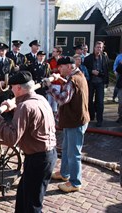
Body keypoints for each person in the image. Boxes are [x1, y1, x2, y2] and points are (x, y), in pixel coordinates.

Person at [0, 71, 57, 212]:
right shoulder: (41, 98)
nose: (11, 90)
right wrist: (14, 108)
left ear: (18, 88)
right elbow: (29, 119)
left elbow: (12, 138)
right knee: (23, 196)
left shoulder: (25, 107)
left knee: (32, 205)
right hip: (45, 156)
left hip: (38, 158)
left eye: (12, 87)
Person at [44, 56, 90, 193]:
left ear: (69, 66)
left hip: (75, 122)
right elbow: (70, 86)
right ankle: (64, 174)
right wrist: (60, 79)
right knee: (66, 149)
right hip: (73, 120)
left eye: (61, 67)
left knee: (73, 153)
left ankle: (75, 182)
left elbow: (62, 99)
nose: (59, 69)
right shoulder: (77, 75)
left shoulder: (74, 80)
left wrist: (50, 86)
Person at [84, 41, 109, 127]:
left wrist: (106, 81)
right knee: (89, 100)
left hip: (100, 82)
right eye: (97, 47)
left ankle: (100, 120)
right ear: (94, 48)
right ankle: (91, 116)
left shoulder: (105, 58)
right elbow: (85, 68)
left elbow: (106, 70)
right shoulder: (88, 58)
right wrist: (92, 71)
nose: (99, 49)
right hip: (90, 82)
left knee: (100, 101)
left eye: (100, 47)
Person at [0, 42, 16, 109]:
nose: (1, 52)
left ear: (6, 51)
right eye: (0, 50)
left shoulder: (10, 61)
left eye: (3, 50)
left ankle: (5, 118)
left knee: (5, 103)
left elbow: (12, 73)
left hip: (6, 86)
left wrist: (6, 81)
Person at [47, 46, 63, 117]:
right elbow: (47, 70)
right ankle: (49, 115)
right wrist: (51, 72)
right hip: (51, 82)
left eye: (54, 51)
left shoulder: (63, 60)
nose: (52, 52)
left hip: (60, 83)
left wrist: (58, 70)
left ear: (58, 52)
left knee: (57, 100)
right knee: (50, 99)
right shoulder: (50, 60)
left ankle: (56, 114)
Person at [113, 52, 122, 123]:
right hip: (121, 84)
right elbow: (117, 69)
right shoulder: (120, 57)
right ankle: (120, 116)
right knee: (121, 102)